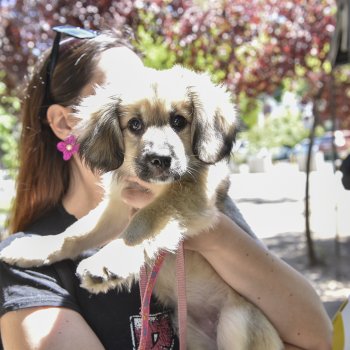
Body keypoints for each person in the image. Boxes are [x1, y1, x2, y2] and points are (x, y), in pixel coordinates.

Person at [0, 27, 332, 350]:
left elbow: (318, 337)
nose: (158, 147)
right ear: (65, 123)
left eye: (177, 121)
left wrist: (209, 231)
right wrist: (62, 245)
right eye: (134, 121)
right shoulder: (31, 275)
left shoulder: (210, 214)